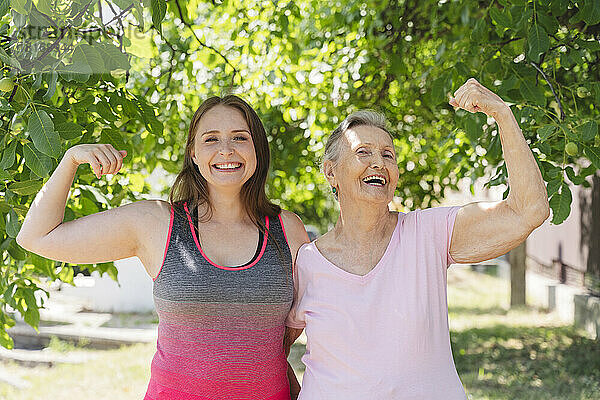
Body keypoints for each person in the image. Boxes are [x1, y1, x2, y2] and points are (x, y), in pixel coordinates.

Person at [16, 95, 309, 400]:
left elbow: (301, 322)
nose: (226, 149)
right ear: (193, 153)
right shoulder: (156, 222)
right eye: (211, 139)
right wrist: (71, 160)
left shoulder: (287, 229)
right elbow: (36, 236)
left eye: (240, 137)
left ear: (257, 148)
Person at [284, 78, 550, 399]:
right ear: (331, 172)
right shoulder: (307, 262)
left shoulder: (429, 233)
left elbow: (529, 211)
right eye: (362, 152)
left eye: (388, 155)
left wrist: (502, 114)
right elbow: (271, 355)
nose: (379, 162)